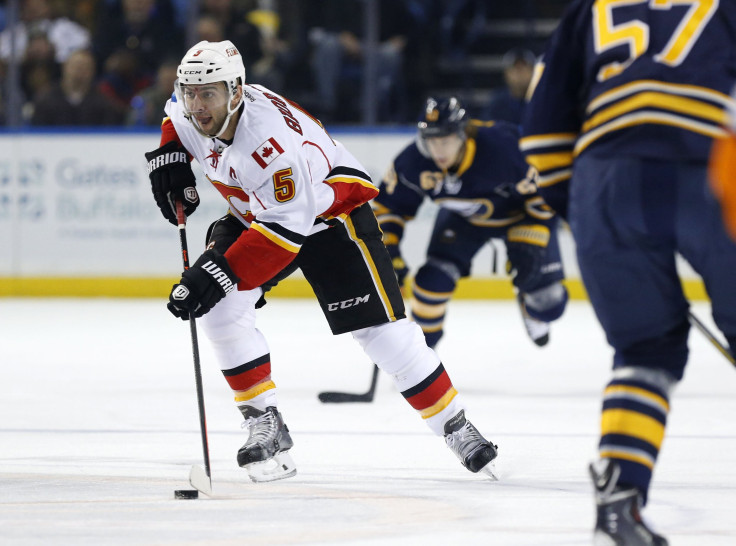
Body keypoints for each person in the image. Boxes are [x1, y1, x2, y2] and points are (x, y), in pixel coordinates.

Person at [144, 40, 498, 483]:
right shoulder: (191, 104)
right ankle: (263, 422)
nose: (197, 104)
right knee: (220, 309)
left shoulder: (268, 142)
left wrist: (216, 273)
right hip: (261, 212)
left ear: (236, 92)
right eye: (191, 91)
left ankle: (455, 425)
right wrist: (172, 156)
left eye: (208, 94)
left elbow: (284, 233)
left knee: (381, 333)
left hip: (328, 217)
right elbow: (173, 115)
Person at [520, 1, 736, 544]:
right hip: (710, 162)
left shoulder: (587, 10)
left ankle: (620, 501)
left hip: (604, 178)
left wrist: (589, 218)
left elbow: (542, 130)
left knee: (646, 352)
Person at [375, 96, 568, 349]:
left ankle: (528, 300)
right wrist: (387, 254)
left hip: (521, 217)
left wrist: (531, 236)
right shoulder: (412, 163)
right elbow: (388, 208)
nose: (438, 151)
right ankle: (418, 358)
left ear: (462, 135)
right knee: (431, 283)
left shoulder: (503, 147)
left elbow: (546, 187)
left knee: (549, 303)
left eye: (445, 141)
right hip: (464, 220)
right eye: (431, 141)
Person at [31, 48, 123, 126]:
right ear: (64, 67)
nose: (80, 72)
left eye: (85, 67)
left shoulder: (103, 103)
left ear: (93, 71)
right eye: (76, 67)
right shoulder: (45, 100)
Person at [481, 48, 536, 126]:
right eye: (515, 68)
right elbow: (487, 128)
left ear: (533, 72)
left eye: (524, 68)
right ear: (506, 73)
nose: (520, 74)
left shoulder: (540, 100)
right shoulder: (497, 103)